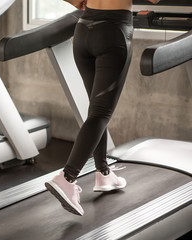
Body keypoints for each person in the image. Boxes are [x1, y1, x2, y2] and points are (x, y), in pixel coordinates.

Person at [45, 0, 160, 216]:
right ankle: (67, 178)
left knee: (95, 110)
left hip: (84, 30)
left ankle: (103, 173)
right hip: (113, 32)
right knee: (100, 112)